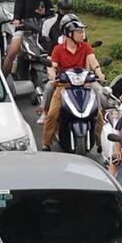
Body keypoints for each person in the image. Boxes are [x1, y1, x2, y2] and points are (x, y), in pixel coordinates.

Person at [41, 19, 101, 149]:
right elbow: (53, 66)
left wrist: (99, 72)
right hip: (64, 85)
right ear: (69, 35)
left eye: (82, 31)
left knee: (99, 114)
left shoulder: (85, 47)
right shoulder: (58, 49)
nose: (82, 34)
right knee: (52, 114)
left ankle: (100, 143)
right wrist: (52, 76)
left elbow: (93, 60)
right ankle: (46, 143)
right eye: (79, 32)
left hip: (84, 85)